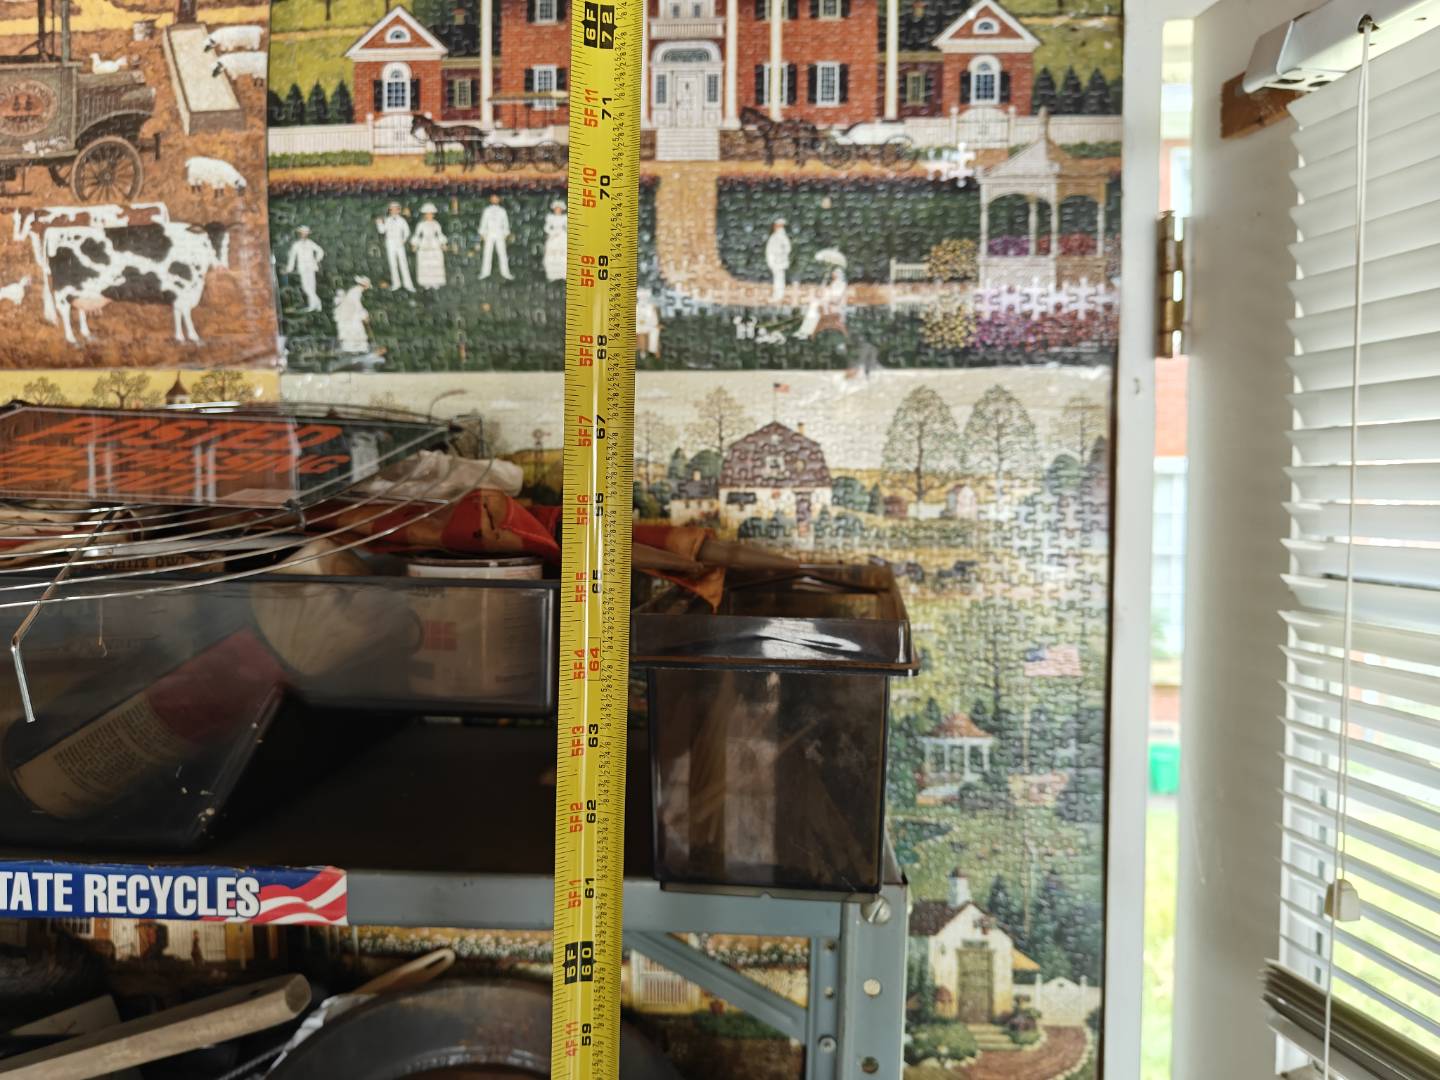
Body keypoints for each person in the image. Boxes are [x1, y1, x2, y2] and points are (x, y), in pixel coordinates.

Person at [796, 266, 847, 340]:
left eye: (835, 272)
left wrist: (824, 298)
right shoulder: (834, 283)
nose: (833, 274)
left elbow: (835, 300)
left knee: (814, 306)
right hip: (827, 305)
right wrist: (824, 284)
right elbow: (825, 294)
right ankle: (806, 331)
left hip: (835, 307)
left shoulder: (840, 284)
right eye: (833, 272)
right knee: (813, 305)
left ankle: (806, 331)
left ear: (840, 274)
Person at [375, 202, 415, 292]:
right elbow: (382, 231)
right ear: (389, 211)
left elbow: (407, 232)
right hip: (390, 243)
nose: (393, 211)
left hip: (399, 243)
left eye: (395, 209)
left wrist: (403, 240)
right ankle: (396, 284)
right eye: (391, 210)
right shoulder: (387, 220)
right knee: (392, 264)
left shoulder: (402, 220)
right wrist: (379, 223)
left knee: (403, 264)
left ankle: (408, 285)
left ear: (399, 210)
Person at [284, 225, 325, 312]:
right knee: (306, 287)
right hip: (302, 268)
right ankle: (318, 302)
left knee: (312, 287)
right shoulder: (296, 245)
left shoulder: (310, 243)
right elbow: (292, 258)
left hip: (311, 267)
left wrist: (316, 260)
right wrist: (289, 269)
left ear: (307, 234)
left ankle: (313, 305)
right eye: (302, 233)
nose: (304, 235)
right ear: (299, 234)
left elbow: (320, 251)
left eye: (305, 233)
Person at [411, 203, 449, 290]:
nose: (429, 216)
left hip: (434, 244)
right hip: (424, 244)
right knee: (425, 263)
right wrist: (414, 244)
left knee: (435, 262)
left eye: (431, 214)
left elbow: (440, 234)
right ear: (425, 215)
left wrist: (443, 244)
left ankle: (436, 282)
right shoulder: (421, 225)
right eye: (427, 214)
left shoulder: (436, 224)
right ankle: (426, 282)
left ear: (433, 215)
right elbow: (417, 235)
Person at [478, 194, 513, 281]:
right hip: (489, 234)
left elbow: (505, 223)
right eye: (493, 198)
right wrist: (482, 234)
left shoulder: (502, 211)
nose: (494, 200)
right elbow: (483, 222)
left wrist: (505, 234)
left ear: (499, 200)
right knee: (487, 253)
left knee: (502, 253)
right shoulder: (487, 210)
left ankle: (505, 273)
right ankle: (485, 273)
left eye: (496, 198)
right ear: (490, 200)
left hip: (499, 233)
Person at [335, 276, 373, 353]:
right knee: (355, 330)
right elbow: (357, 305)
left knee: (355, 330)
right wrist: (364, 315)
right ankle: (353, 348)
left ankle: (358, 347)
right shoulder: (356, 292)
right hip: (351, 315)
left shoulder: (356, 291)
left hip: (351, 314)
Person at [764, 218, 791, 304]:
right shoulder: (775, 236)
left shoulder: (782, 236)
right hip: (774, 262)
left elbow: (787, 248)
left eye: (777, 226)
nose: (775, 227)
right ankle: (777, 296)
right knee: (777, 279)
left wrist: (780, 255)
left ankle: (779, 296)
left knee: (779, 279)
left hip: (779, 262)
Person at [543, 200, 567, 282]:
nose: (558, 210)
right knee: (552, 254)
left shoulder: (564, 218)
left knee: (562, 254)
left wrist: (563, 232)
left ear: (561, 209)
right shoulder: (550, 217)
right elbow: (546, 228)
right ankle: (552, 274)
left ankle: (563, 273)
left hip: (562, 236)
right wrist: (552, 232)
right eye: (556, 209)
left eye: (559, 209)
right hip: (553, 236)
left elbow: (567, 227)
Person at [636, 286, 659, 356]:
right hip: (638, 325)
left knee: (655, 330)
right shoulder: (636, 307)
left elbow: (654, 318)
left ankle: (652, 350)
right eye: (642, 297)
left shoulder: (651, 306)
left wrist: (655, 324)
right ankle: (642, 351)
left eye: (645, 297)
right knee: (640, 332)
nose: (643, 298)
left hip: (649, 325)